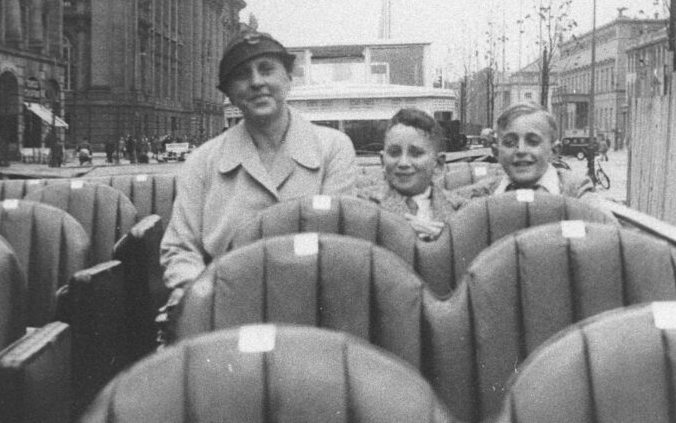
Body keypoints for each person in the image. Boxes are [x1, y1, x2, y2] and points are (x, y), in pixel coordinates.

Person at [160, 30, 357, 297]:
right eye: (242, 75)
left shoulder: (333, 148)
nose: (256, 82)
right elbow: (180, 249)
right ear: (228, 93)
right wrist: (202, 297)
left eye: (266, 70)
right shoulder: (202, 161)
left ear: (288, 79)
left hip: (310, 302)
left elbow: (340, 243)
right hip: (222, 301)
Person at [357, 108, 467, 240]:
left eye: (416, 153)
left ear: (438, 164)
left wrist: (447, 242)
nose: (403, 163)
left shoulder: (463, 211)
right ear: (382, 160)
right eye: (394, 152)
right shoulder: (361, 206)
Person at [468, 102, 597, 199]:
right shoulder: (484, 193)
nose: (521, 150)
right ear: (496, 153)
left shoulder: (575, 190)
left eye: (533, 142)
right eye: (509, 143)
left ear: (554, 151)